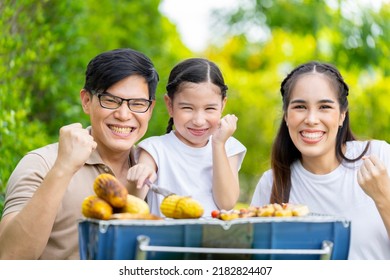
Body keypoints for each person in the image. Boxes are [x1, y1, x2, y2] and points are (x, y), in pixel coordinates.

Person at [0, 48, 159, 259]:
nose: (123, 115)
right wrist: (63, 169)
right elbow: (9, 260)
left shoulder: (156, 165)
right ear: (86, 101)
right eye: (110, 100)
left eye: (138, 104)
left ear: (150, 109)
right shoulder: (42, 163)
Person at [250, 61, 390, 259]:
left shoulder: (381, 158)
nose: (311, 119)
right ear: (286, 116)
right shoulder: (271, 183)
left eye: (324, 106)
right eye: (300, 107)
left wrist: (384, 197)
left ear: (342, 115)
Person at [127, 58, 246, 217]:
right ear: (170, 105)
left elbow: (226, 202)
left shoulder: (228, 147)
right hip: (166, 240)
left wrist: (218, 144)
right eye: (187, 108)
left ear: (223, 105)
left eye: (210, 108)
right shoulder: (154, 149)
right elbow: (136, 199)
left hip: (214, 240)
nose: (198, 120)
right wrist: (141, 174)